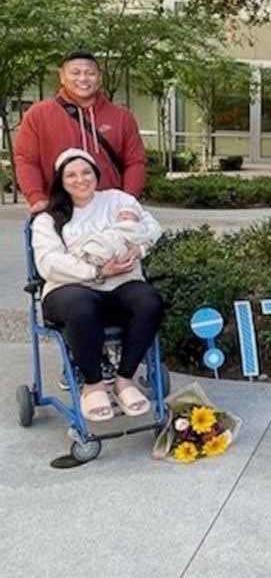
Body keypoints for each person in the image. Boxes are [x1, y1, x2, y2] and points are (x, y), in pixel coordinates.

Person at [32, 148, 163, 422]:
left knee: (148, 300)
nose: (80, 180)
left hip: (120, 282)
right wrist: (96, 270)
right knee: (82, 304)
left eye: (86, 172)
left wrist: (137, 250)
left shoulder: (117, 200)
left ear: (96, 174)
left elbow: (151, 227)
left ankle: (124, 379)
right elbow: (49, 264)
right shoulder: (49, 218)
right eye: (71, 175)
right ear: (61, 180)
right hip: (68, 290)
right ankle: (92, 385)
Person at [14, 50, 147, 215]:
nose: (83, 79)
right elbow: (26, 160)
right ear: (62, 77)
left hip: (109, 212)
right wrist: (36, 197)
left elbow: (135, 162)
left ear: (100, 77)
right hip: (56, 210)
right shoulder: (38, 114)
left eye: (90, 73)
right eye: (75, 73)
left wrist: (127, 202)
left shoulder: (122, 117)